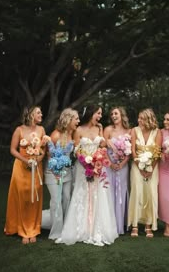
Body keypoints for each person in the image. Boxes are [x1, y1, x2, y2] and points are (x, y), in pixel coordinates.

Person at [56, 104, 118, 246]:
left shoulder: (99, 128)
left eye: (101, 114)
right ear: (91, 113)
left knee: (98, 195)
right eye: (98, 113)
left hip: (98, 168)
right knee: (82, 194)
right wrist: (85, 163)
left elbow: (102, 147)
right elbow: (76, 150)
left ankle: (96, 229)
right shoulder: (78, 130)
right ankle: (81, 228)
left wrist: (97, 159)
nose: (100, 116)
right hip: (82, 167)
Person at [4, 106, 48, 244]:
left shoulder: (41, 130)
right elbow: (13, 149)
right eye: (38, 112)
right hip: (21, 167)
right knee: (22, 196)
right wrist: (26, 161)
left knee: (35, 197)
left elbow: (43, 150)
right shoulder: (19, 130)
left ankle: (34, 229)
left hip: (36, 166)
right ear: (30, 115)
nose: (41, 114)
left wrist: (36, 161)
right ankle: (23, 230)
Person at [41, 108, 80, 240]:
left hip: (67, 172)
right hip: (53, 173)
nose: (78, 121)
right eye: (76, 119)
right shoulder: (56, 135)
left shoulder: (73, 134)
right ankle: (56, 232)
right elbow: (49, 156)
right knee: (56, 201)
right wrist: (56, 172)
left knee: (67, 199)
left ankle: (66, 228)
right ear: (68, 119)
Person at [128, 108, 162, 238]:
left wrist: (151, 168)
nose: (139, 120)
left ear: (149, 119)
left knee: (150, 193)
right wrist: (140, 167)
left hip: (153, 167)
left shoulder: (157, 132)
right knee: (137, 192)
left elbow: (157, 152)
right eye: (138, 118)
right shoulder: (134, 130)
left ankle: (148, 225)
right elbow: (133, 151)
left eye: (142, 118)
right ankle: (135, 224)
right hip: (137, 167)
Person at [103, 107, 131, 234]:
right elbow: (102, 149)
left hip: (123, 167)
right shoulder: (108, 130)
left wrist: (122, 163)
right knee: (109, 191)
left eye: (116, 113)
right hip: (109, 166)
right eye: (112, 114)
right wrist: (110, 163)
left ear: (121, 115)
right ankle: (109, 224)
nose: (113, 116)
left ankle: (121, 224)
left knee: (121, 191)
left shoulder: (129, 131)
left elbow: (129, 152)